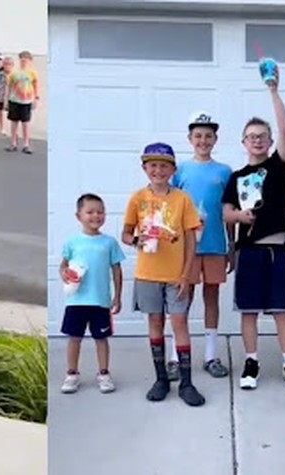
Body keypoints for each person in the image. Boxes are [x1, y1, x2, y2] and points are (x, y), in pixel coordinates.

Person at [221, 65, 285, 390]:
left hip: (276, 250)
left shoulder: (277, 167)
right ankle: (251, 361)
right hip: (249, 253)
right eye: (251, 137)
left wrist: (273, 90)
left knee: (281, 311)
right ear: (243, 142)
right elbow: (225, 212)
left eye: (262, 136)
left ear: (270, 142)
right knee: (249, 313)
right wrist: (239, 218)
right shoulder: (236, 177)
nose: (257, 140)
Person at [121, 142, 205, 406]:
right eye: (153, 165)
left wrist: (187, 273)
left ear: (173, 169)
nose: (158, 170)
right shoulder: (138, 198)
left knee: (179, 321)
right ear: (144, 168)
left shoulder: (182, 199)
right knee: (155, 321)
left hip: (176, 274)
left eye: (164, 165)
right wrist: (138, 240)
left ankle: (187, 382)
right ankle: (161, 378)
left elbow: (192, 239)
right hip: (147, 272)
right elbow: (125, 233)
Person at [164, 111, 234, 380]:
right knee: (182, 298)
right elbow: (170, 207)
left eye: (208, 136)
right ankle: (175, 356)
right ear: (190, 139)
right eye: (198, 136)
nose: (203, 141)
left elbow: (228, 211)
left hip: (215, 244)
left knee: (211, 297)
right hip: (186, 247)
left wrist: (232, 245)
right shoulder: (180, 170)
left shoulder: (224, 171)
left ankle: (210, 355)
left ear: (215, 139)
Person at [58, 193, 124, 394]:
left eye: (100, 212)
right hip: (76, 300)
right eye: (90, 212)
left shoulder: (109, 243)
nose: (96, 216)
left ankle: (103, 373)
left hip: (100, 301)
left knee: (101, 339)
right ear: (79, 216)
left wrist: (117, 296)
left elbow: (116, 270)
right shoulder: (72, 243)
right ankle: (72, 374)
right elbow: (63, 266)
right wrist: (64, 273)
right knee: (74, 338)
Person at [5, 51, 39, 155]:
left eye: (26, 60)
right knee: (14, 123)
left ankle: (26, 145)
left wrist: (36, 99)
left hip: (26, 101)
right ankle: (13, 143)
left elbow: (35, 86)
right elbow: (8, 87)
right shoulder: (14, 73)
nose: (23, 62)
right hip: (14, 100)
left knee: (25, 124)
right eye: (22, 59)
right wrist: (6, 101)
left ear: (29, 61)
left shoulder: (32, 73)